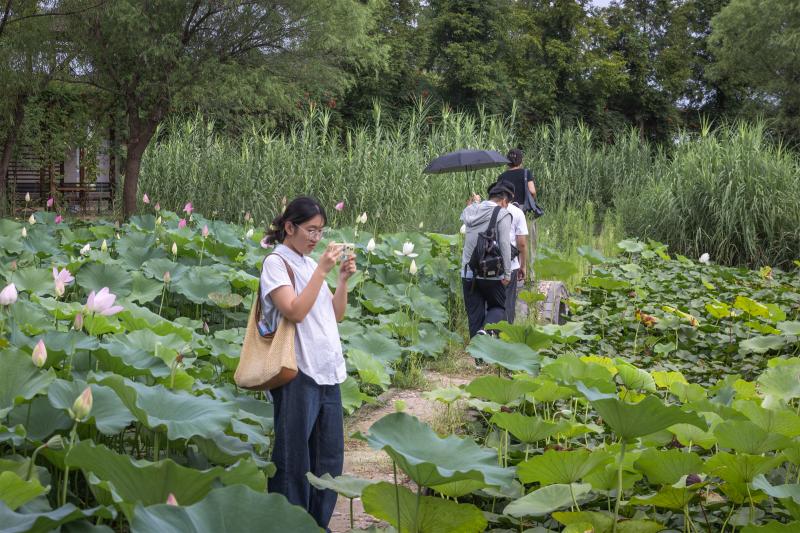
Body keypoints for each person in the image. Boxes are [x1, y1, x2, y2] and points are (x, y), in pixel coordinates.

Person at [259, 196, 356, 531]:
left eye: (320, 231)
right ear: (289, 227)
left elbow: (336, 313)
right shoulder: (277, 263)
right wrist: (322, 269)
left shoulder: (307, 262)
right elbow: (295, 311)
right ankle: (289, 525)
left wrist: (341, 280)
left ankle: (316, 524)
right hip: (297, 372)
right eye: (310, 230)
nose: (316, 237)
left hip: (327, 370)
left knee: (328, 458)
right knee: (293, 458)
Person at [460, 182, 514, 338]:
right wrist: (508, 273)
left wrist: (475, 203)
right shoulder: (502, 214)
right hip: (491, 272)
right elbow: (504, 244)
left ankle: (478, 360)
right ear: (504, 201)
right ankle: (486, 330)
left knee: (474, 316)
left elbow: (475, 213)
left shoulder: (469, 210)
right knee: (498, 307)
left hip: (468, 272)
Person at [486, 181, 528, 324]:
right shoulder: (517, 213)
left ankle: (488, 332)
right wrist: (523, 266)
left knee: (490, 303)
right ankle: (505, 335)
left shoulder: (484, 209)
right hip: (511, 263)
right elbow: (521, 243)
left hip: (488, 263)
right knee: (508, 303)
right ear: (511, 196)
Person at [496, 148, 538, 270]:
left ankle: (512, 267)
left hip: (506, 210)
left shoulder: (502, 176)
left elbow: (498, 195)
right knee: (528, 242)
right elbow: (532, 191)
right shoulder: (526, 173)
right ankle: (528, 270)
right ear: (520, 160)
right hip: (524, 210)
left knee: (510, 240)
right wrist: (531, 199)